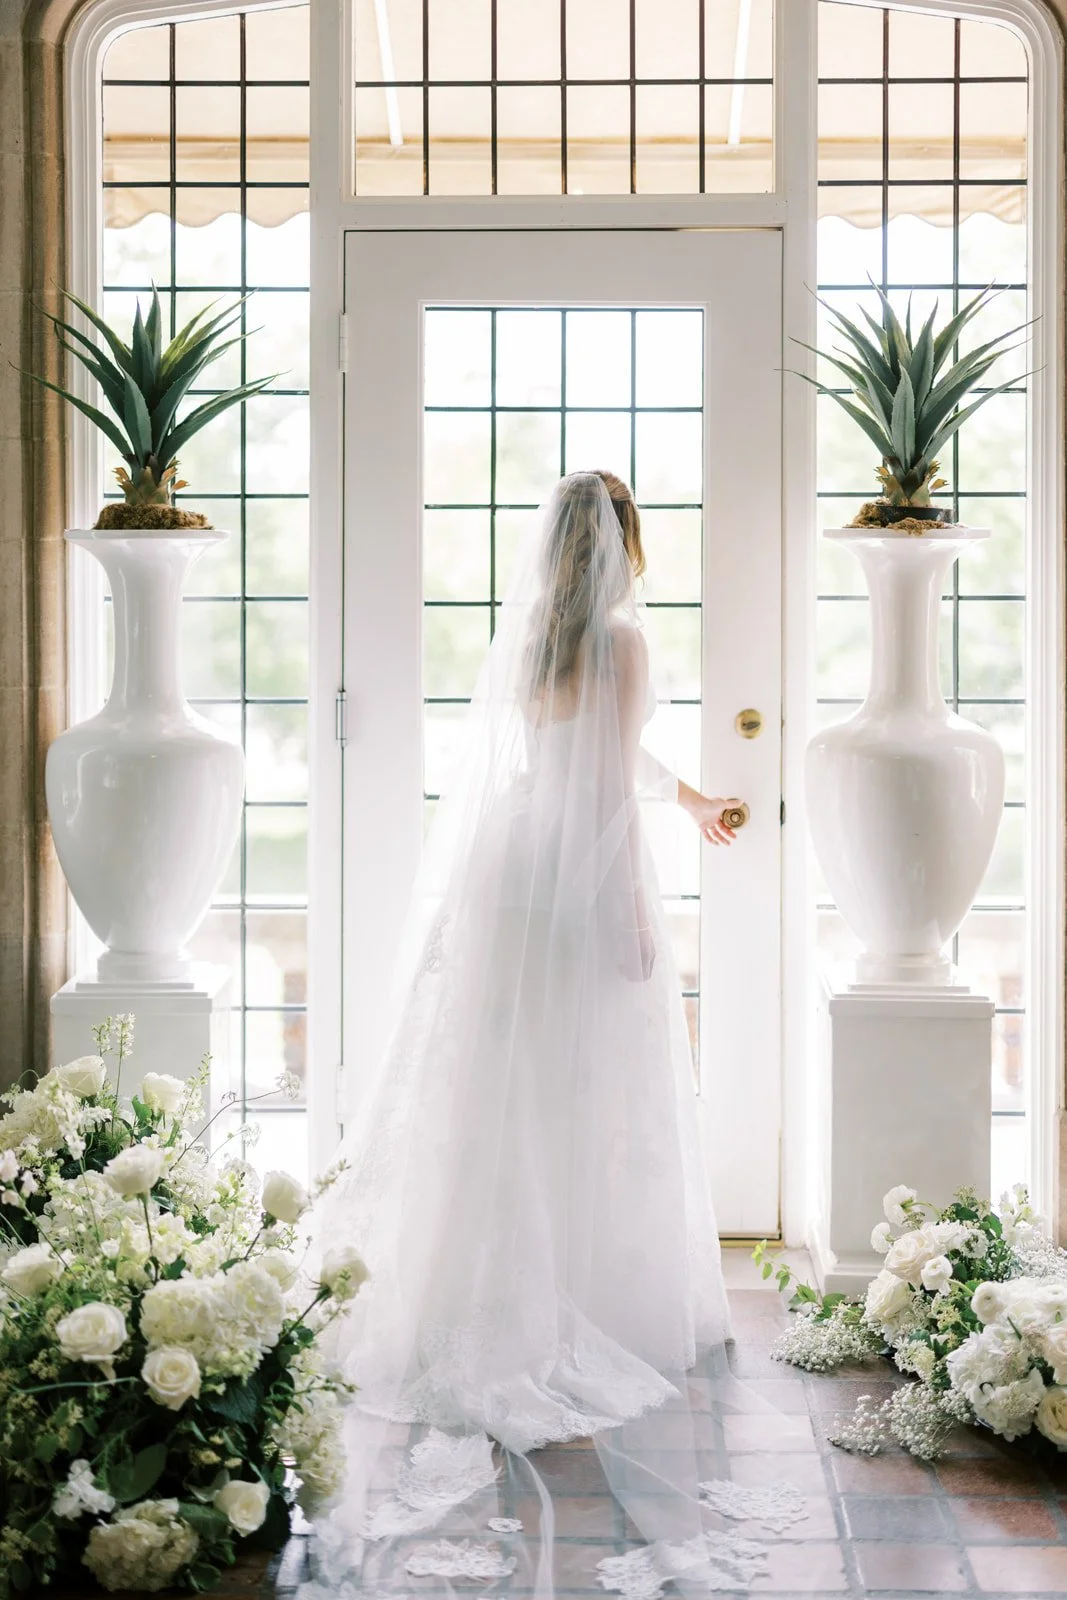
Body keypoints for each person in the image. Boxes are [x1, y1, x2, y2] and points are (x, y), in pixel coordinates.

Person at [304, 472, 791, 1599]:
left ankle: (468, 1287)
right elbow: (606, 790)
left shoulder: (534, 636)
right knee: (585, 1094)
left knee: (498, 1091)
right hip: (578, 883)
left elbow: (580, 768)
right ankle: (570, 1294)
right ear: (623, 544)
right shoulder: (623, 643)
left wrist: (692, 801)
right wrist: (628, 907)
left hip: (508, 872)